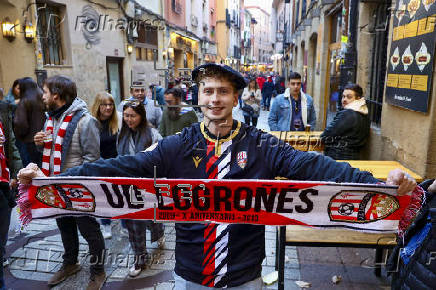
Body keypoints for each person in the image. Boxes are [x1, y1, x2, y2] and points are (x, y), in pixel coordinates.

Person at [19, 64, 417, 289]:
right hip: (192, 270)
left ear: (236, 97)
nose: (214, 99)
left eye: (223, 92)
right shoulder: (179, 144)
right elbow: (124, 167)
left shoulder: (263, 145)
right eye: (207, 91)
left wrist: (377, 183)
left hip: (245, 271)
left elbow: (317, 168)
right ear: (198, 97)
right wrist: (48, 182)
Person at [33, 75, 106, 290]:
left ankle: (98, 271)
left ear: (56, 95)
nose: (43, 96)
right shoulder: (50, 118)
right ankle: (70, 263)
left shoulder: (86, 121)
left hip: (78, 188)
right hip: (55, 186)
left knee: (90, 232)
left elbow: (93, 160)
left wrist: (73, 183)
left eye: (45, 92)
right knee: (64, 226)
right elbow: (51, 151)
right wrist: (39, 144)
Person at [117, 101, 164, 277]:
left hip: (147, 185)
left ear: (141, 117)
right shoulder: (121, 135)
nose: (129, 119)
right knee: (133, 224)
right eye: (126, 115)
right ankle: (139, 259)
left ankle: (159, 234)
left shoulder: (152, 134)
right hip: (127, 186)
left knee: (152, 218)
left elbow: (161, 158)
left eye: (133, 116)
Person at [91, 92, 120, 239]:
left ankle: (126, 225)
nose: (108, 108)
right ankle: (106, 225)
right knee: (103, 196)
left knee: (121, 194)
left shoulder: (117, 121)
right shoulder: (91, 123)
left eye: (110, 104)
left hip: (118, 164)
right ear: (98, 106)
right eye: (104, 105)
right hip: (100, 165)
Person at [0, 100, 22, 290]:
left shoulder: (3, 108)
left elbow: (11, 144)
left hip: (4, 183)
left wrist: (16, 172)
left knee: (2, 232)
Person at [321, 83, 370, 160]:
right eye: (343, 96)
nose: (344, 99)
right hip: (354, 158)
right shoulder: (365, 113)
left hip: (338, 158)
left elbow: (325, 136)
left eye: (349, 97)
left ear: (358, 98)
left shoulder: (347, 113)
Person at [13, 77, 45, 166]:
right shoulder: (43, 99)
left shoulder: (24, 101)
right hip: (43, 139)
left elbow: (21, 124)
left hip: (29, 141)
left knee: (31, 170)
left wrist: (19, 136)